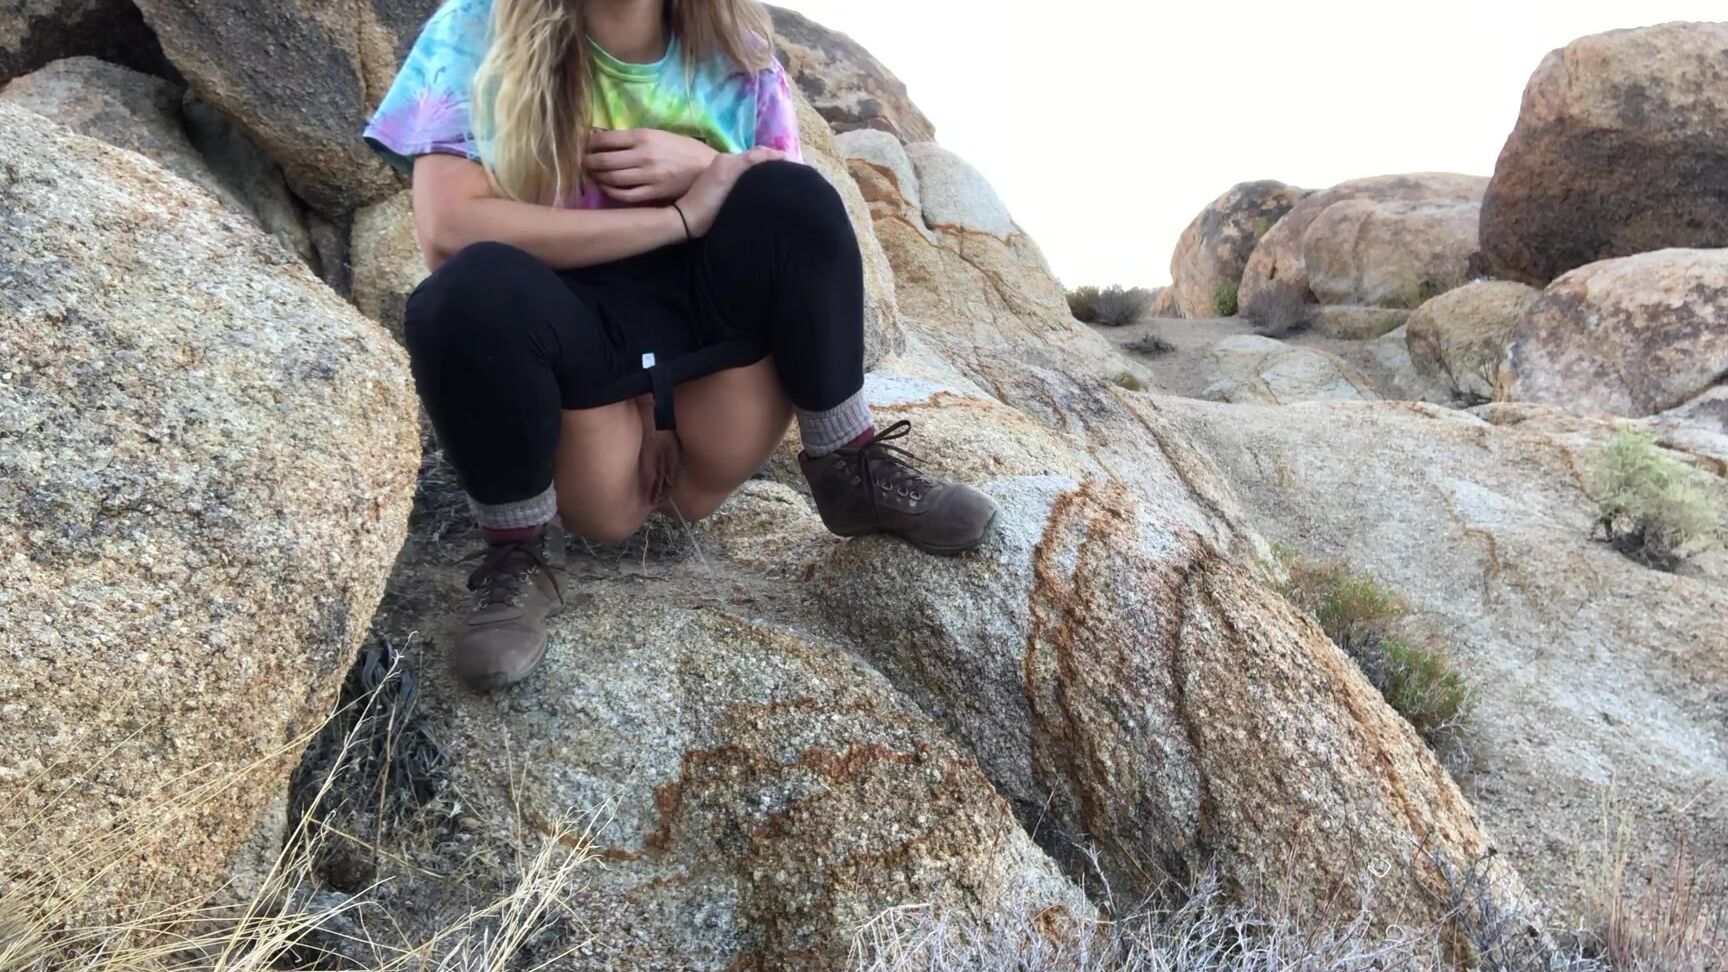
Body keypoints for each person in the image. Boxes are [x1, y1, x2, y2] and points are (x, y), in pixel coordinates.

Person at [364, 0, 999, 690]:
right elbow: (449, 228)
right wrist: (680, 217)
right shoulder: (473, 28)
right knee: (465, 291)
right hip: (583, 390)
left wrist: (708, 164)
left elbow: (790, 231)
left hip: (715, 378)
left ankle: (851, 466)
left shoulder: (741, 46)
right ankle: (520, 552)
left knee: (792, 197)